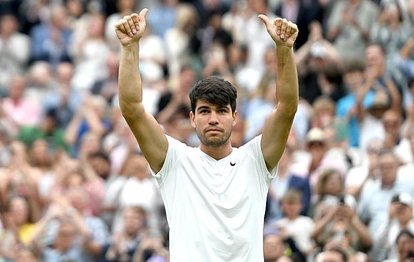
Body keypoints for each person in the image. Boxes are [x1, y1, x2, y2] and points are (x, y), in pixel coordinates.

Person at [115, 8, 299, 261]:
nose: (213, 119)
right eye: (204, 111)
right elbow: (132, 109)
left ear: (235, 117)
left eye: (222, 111)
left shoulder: (256, 159)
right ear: (192, 118)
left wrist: (284, 49)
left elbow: (287, 108)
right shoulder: (174, 160)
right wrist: (130, 48)